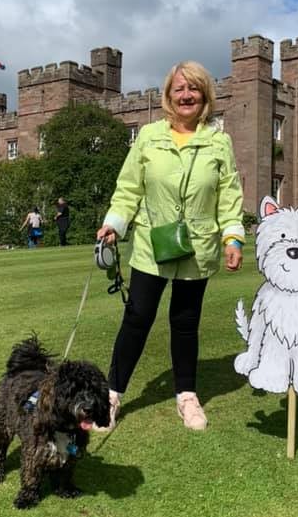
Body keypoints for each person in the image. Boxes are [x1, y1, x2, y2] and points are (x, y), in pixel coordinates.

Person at [96, 60, 244, 431]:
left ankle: (187, 396)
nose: (186, 95)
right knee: (137, 317)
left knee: (185, 322)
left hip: (198, 247)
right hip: (150, 244)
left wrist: (233, 237)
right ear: (168, 96)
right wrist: (115, 223)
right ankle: (111, 395)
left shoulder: (219, 142)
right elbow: (129, 188)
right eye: (179, 89)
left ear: (205, 96)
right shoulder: (147, 137)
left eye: (193, 89)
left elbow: (229, 196)